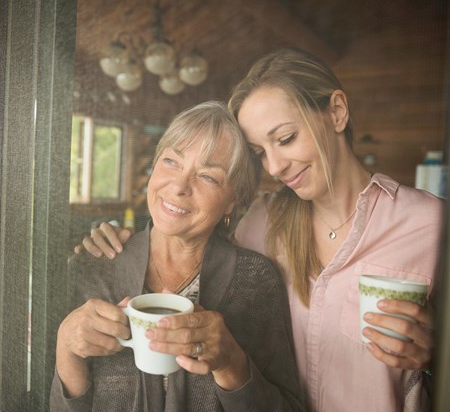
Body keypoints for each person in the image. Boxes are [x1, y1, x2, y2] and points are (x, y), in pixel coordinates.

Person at [76, 48, 443, 412]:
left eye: (285, 139)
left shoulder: (429, 225)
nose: (276, 166)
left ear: (337, 112)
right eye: (260, 153)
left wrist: (437, 357)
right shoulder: (261, 224)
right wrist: (125, 245)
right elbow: (194, 228)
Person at [50, 101, 304, 412]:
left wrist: (232, 363)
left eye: (208, 177)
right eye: (171, 161)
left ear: (232, 201)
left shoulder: (255, 279)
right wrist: (67, 346)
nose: (179, 186)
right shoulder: (93, 267)